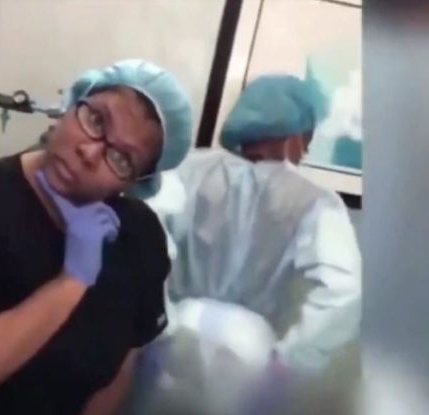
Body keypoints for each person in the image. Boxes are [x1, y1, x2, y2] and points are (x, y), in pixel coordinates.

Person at [0, 59, 193, 415]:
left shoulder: (139, 236)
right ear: (71, 105)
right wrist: (72, 280)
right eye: (96, 120)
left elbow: (121, 366)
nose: (89, 152)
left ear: (135, 183)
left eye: (122, 158)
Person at [129, 74, 361, 414]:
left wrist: (155, 316)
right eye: (307, 139)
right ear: (295, 136)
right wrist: (295, 358)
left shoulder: (187, 170)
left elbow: (138, 238)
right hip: (247, 352)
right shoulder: (314, 201)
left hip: (173, 336)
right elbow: (343, 291)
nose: (306, 150)